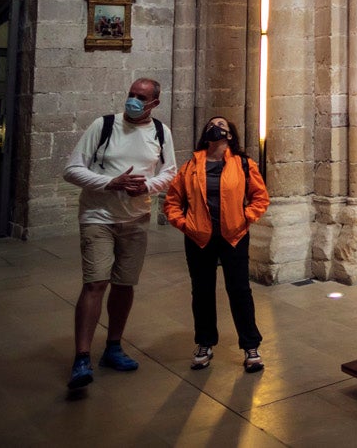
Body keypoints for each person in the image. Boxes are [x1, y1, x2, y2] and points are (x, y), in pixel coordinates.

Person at [63, 78, 177, 390]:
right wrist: (109, 182)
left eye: (141, 97)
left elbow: (170, 173)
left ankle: (113, 347)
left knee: (125, 284)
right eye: (131, 94)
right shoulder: (104, 125)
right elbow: (71, 169)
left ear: (154, 103)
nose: (133, 101)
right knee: (96, 283)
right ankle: (82, 357)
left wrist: (148, 185)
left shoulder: (160, 132)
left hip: (136, 218)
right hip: (97, 216)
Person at [165, 116, 270, 373]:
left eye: (222, 124)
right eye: (212, 124)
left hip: (233, 236)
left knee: (239, 291)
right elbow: (172, 201)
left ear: (230, 134)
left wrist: (245, 217)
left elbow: (260, 197)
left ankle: (250, 346)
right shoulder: (191, 165)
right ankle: (204, 343)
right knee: (201, 292)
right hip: (199, 237)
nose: (216, 127)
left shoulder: (243, 164)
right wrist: (185, 224)